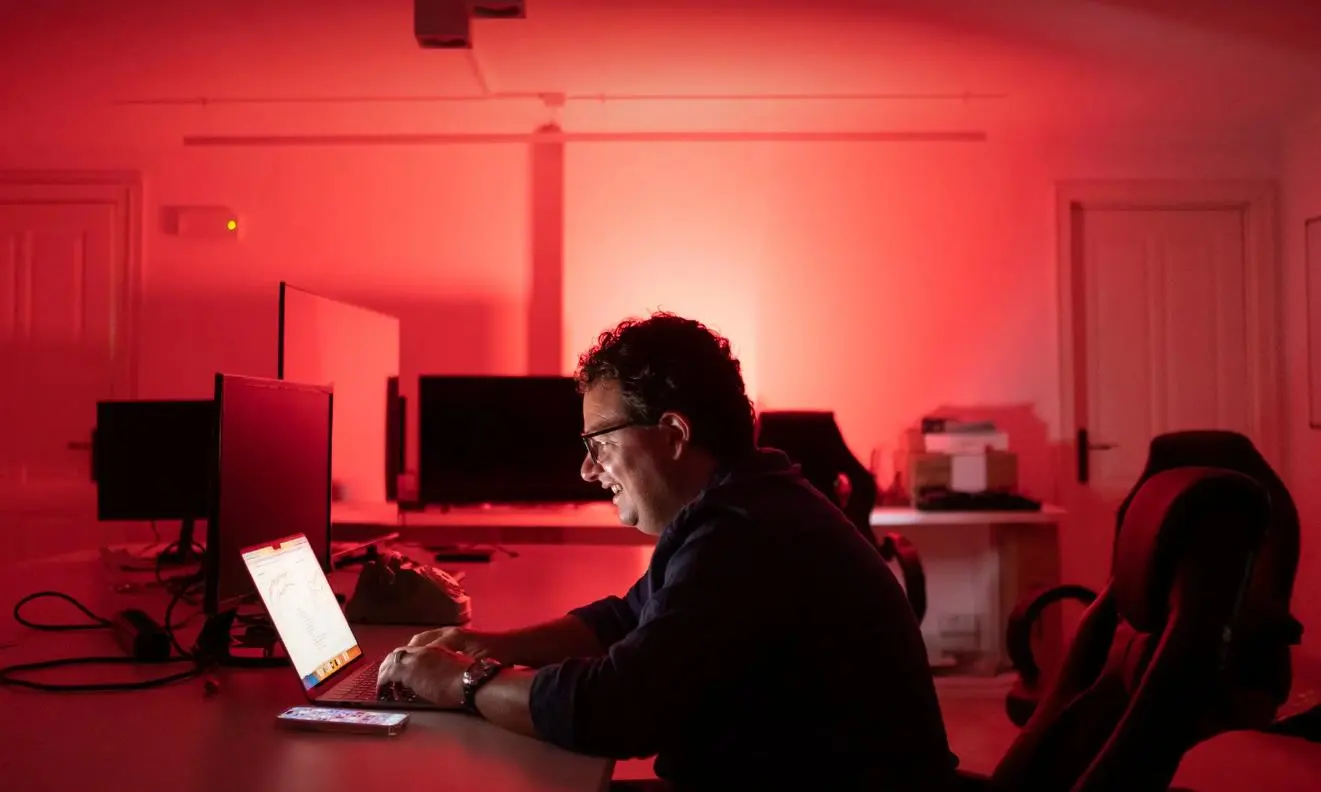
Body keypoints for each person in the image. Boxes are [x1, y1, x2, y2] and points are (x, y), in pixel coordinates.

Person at [378, 312, 957, 791]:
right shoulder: (745, 504)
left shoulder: (743, 537)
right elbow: (625, 618)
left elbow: (613, 709)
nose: (587, 470)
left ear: (675, 435)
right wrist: (489, 645)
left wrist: (465, 683)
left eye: (599, 443)